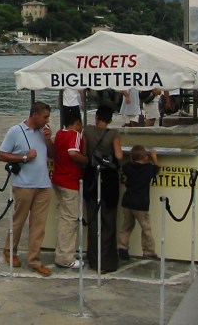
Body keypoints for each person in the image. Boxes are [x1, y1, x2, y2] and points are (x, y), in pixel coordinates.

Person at [0, 101, 55, 276]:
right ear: (35, 115)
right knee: (19, 220)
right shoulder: (15, 131)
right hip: (24, 184)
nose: (47, 121)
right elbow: (2, 155)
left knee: (39, 225)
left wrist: (48, 139)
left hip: (43, 185)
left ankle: (34, 260)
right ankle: (10, 251)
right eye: (45, 117)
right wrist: (24, 157)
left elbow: (53, 155)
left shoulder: (43, 132)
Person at [83, 105, 123, 272]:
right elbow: (119, 155)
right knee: (108, 221)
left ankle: (94, 260)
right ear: (110, 119)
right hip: (109, 180)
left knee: (93, 220)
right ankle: (106, 262)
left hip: (91, 178)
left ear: (96, 117)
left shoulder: (87, 130)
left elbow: (84, 153)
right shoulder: (113, 133)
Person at [51, 115, 87, 269]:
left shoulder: (59, 134)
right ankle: (65, 257)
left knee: (63, 218)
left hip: (58, 179)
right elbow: (72, 152)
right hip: (70, 181)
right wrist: (85, 159)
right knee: (70, 220)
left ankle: (62, 252)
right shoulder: (75, 135)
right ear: (77, 123)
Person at [118, 145, 160, 261]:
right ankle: (148, 251)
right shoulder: (148, 169)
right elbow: (157, 168)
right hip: (141, 203)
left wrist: (132, 158)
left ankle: (122, 246)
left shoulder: (128, 168)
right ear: (146, 158)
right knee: (146, 228)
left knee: (126, 226)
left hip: (127, 202)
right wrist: (154, 157)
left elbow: (126, 165)